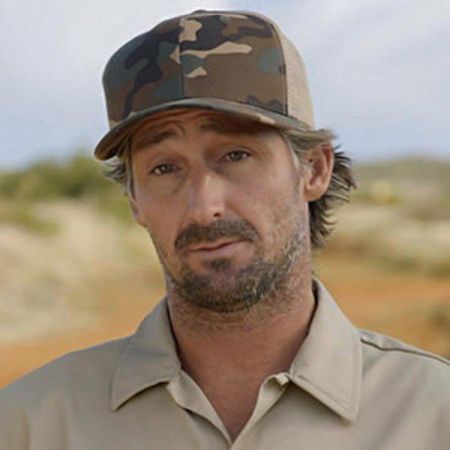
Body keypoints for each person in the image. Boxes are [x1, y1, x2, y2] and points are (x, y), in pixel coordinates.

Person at [0, 9, 448, 449]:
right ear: (134, 198)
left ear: (314, 170)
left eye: (236, 155)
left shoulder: (433, 414)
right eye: (164, 167)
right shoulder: (29, 426)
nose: (204, 207)